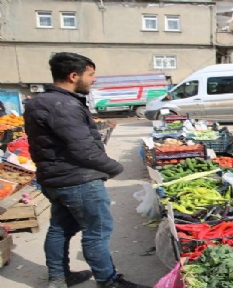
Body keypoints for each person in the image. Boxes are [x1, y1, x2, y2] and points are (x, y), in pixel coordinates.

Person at [23, 52, 147, 288]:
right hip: (77, 180)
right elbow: (84, 151)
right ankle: (108, 281)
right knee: (97, 232)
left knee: (60, 228)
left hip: (53, 178)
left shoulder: (38, 101)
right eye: (90, 74)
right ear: (73, 76)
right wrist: (114, 168)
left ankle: (58, 278)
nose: (94, 79)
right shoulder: (64, 105)